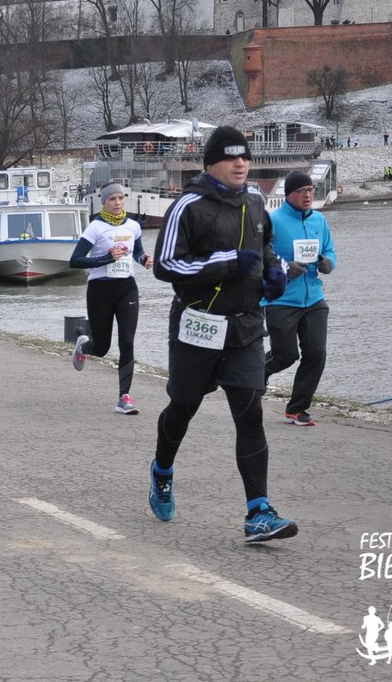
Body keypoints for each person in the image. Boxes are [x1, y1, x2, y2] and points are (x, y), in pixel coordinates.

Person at [150, 125, 296, 543]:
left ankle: (258, 512)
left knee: (250, 415)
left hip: (245, 327)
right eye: (231, 157)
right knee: (183, 407)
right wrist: (228, 262)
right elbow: (166, 265)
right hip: (198, 325)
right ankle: (162, 470)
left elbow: (265, 249)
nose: (240, 164)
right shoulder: (188, 205)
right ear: (211, 163)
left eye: (245, 157)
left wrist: (274, 272)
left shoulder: (255, 201)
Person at [69, 182, 152, 414]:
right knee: (102, 347)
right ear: (104, 202)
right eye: (112, 199)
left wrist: (144, 259)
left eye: (120, 198)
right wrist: (106, 258)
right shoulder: (95, 228)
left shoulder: (134, 226)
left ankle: (124, 398)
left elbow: (136, 252)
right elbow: (75, 260)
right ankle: (84, 347)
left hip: (127, 288)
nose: (117, 203)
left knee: (127, 342)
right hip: (100, 290)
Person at [263, 171, 337, 426]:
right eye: (301, 191)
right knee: (285, 356)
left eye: (310, 189)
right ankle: (257, 374)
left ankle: (296, 409)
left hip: (314, 298)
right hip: (280, 300)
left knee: (316, 353)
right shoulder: (273, 221)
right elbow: (259, 259)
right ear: (288, 195)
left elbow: (329, 250)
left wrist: (328, 263)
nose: (308, 195)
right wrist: (285, 269)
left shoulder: (319, 220)